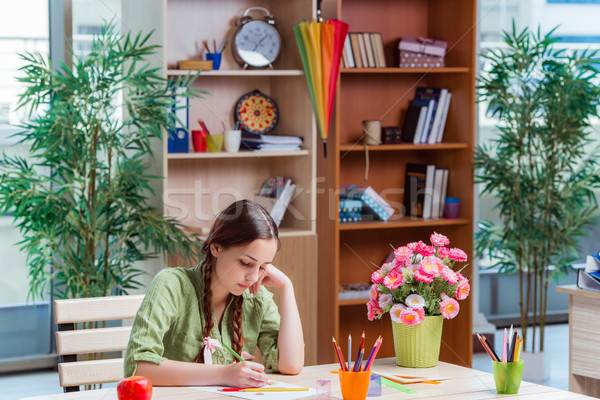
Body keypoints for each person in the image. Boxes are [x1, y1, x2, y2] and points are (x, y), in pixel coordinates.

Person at [124, 199, 304, 387]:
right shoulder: (172, 285)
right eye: (245, 262)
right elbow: (137, 367)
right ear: (216, 247)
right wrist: (223, 374)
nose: (253, 276)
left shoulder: (256, 297)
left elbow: (290, 365)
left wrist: (286, 287)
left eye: (263, 267)